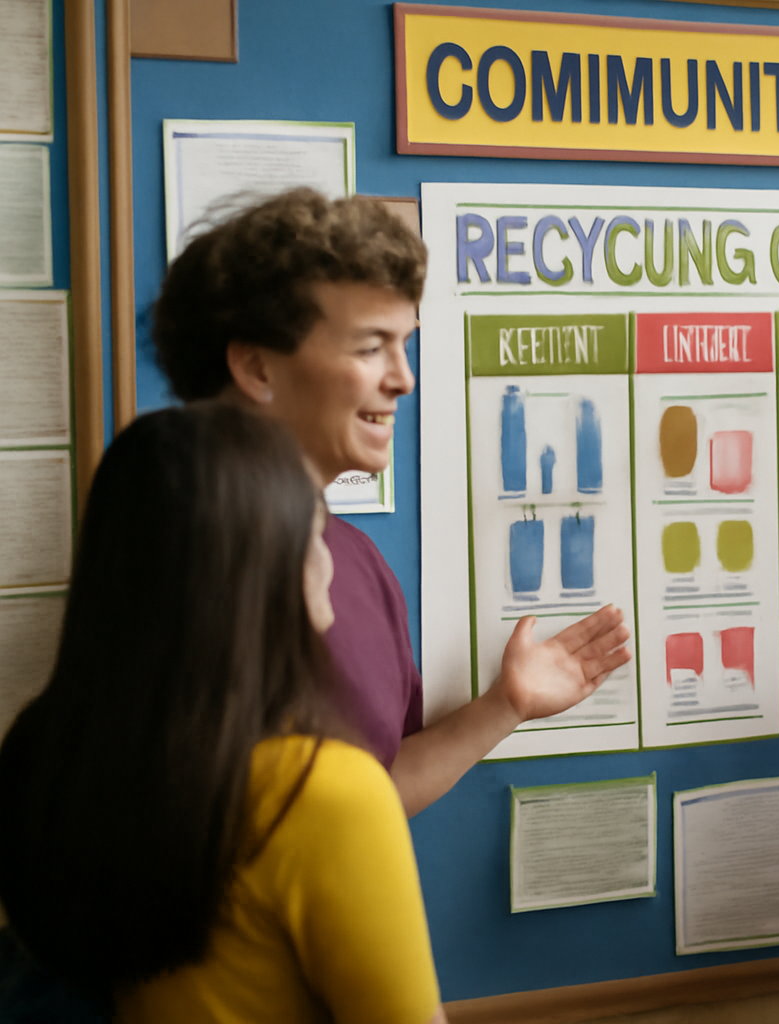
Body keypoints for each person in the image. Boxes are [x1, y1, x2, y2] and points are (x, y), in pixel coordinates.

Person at [152, 188, 630, 815]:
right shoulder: (164, 568)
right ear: (257, 367)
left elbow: (375, 793)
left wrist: (505, 703)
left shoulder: (358, 562)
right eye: (371, 346)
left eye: (405, 344)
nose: (404, 378)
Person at [0, 403, 445, 1023]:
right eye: (315, 531)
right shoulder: (322, 792)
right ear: (262, 573)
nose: (331, 556)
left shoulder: (38, 752)